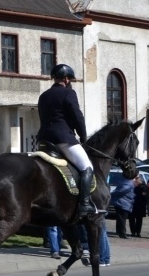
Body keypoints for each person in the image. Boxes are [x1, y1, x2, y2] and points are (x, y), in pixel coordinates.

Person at [37, 64, 100, 217]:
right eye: (70, 79)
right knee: (87, 167)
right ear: (66, 79)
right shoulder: (68, 93)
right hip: (63, 139)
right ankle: (84, 204)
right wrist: (83, 136)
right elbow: (77, 116)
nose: (70, 81)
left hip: (44, 140)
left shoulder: (43, 96)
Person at [109, 173, 134, 239]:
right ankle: (122, 234)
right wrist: (112, 193)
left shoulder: (125, 182)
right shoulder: (128, 183)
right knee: (122, 219)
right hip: (123, 203)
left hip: (122, 202)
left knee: (120, 218)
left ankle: (119, 232)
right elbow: (121, 191)